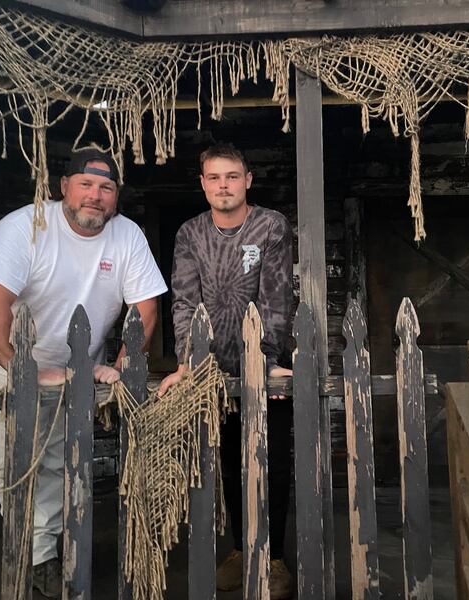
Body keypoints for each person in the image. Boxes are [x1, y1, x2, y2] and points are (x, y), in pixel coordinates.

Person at [0, 148, 167, 598]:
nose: (95, 196)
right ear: (64, 187)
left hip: (80, 370)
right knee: (13, 461)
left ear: (116, 196)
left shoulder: (127, 235)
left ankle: (44, 556)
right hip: (13, 362)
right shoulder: (23, 227)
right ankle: (28, 550)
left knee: (59, 463)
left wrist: (120, 368)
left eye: (106, 188)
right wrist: (27, 372)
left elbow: (145, 310)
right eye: (86, 184)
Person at [158, 142, 294, 599]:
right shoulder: (190, 233)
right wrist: (189, 362)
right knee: (230, 462)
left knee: (272, 461)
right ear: (203, 184)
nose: (223, 186)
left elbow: (275, 297)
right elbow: (183, 301)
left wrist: (268, 362)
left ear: (247, 180)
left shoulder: (270, 226)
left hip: (265, 363)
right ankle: (240, 549)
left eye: (232, 176)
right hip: (213, 371)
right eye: (214, 178)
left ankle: (275, 558)